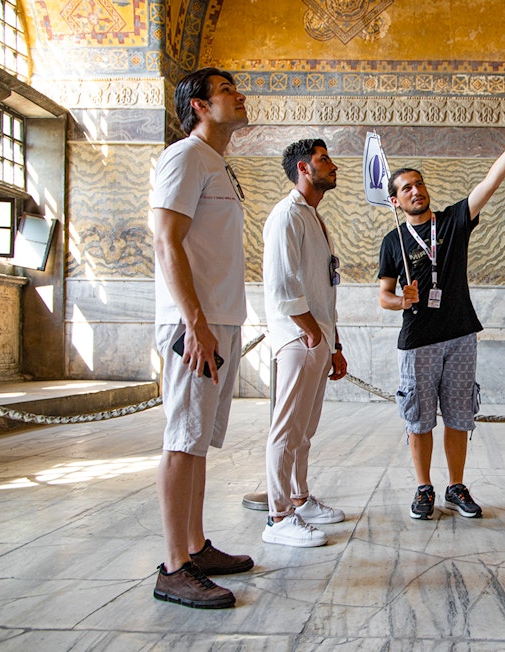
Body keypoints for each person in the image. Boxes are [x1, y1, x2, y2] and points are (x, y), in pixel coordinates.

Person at [378, 102, 505, 521]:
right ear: (395, 200)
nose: (416, 191)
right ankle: (424, 489)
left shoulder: (453, 221)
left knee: (458, 416)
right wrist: (403, 300)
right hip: (418, 341)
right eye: (407, 188)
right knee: (418, 419)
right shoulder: (392, 240)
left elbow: (491, 182)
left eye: (420, 184)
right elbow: (383, 295)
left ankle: (456, 486)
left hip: (460, 335)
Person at [151, 68, 253, 609]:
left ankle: (194, 545)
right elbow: (166, 241)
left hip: (218, 321)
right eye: (226, 90)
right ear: (198, 106)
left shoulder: (217, 164)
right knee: (181, 439)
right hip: (196, 325)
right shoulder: (184, 156)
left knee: (198, 442)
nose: (239, 96)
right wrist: (194, 322)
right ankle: (174, 568)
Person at [260, 139, 348, 547]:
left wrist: (334, 343)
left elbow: (323, 288)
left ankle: (299, 497)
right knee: (286, 428)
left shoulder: (314, 217)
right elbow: (282, 285)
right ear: (303, 168)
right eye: (323, 159)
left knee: (305, 429)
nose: (332, 166)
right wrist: (311, 331)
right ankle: (278, 517)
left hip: (317, 335)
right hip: (298, 336)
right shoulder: (286, 215)